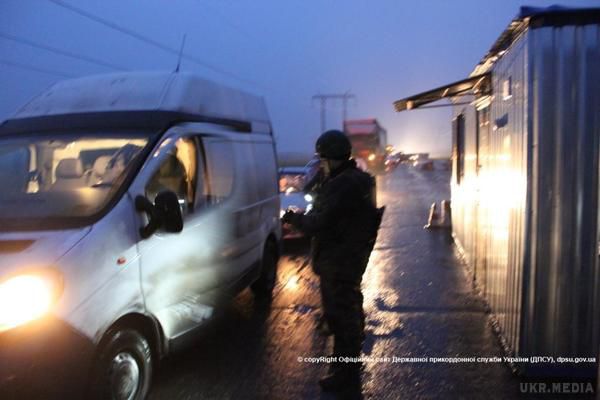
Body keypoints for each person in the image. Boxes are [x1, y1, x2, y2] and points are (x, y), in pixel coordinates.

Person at [282, 130, 384, 394]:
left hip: (340, 261)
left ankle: (345, 373)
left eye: (324, 160)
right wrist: (320, 180)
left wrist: (294, 219)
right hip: (348, 259)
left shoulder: (343, 185)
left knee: (342, 318)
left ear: (333, 158)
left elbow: (319, 222)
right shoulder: (354, 179)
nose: (321, 165)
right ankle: (344, 367)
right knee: (346, 313)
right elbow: (317, 198)